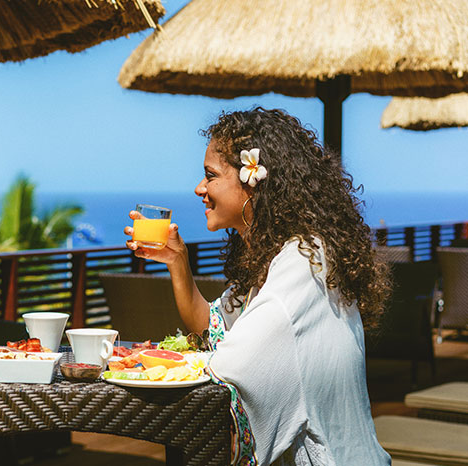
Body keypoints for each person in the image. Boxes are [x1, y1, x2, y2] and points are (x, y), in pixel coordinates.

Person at [125, 108, 391, 465]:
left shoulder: (303, 262)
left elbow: (232, 364)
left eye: (210, 176)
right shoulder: (277, 257)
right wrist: (178, 262)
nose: (199, 188)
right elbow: (213, 329)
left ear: (253, 181)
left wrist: (156, 366)